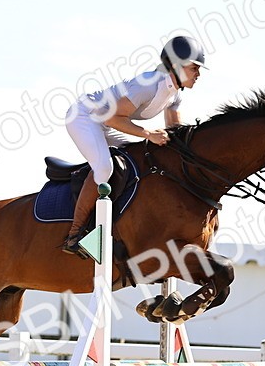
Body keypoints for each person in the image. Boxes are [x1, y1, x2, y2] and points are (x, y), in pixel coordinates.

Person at [60, 34, 208, 256]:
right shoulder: (149, 85)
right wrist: (148, 133)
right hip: (84, 116)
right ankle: (75, 235)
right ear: (176, 66)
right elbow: (112, 118)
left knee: (137, 160)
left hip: (106, 123)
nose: (198, 74)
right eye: (194, 68)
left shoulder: (174, 94)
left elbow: (174, 132)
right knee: (104, 167)